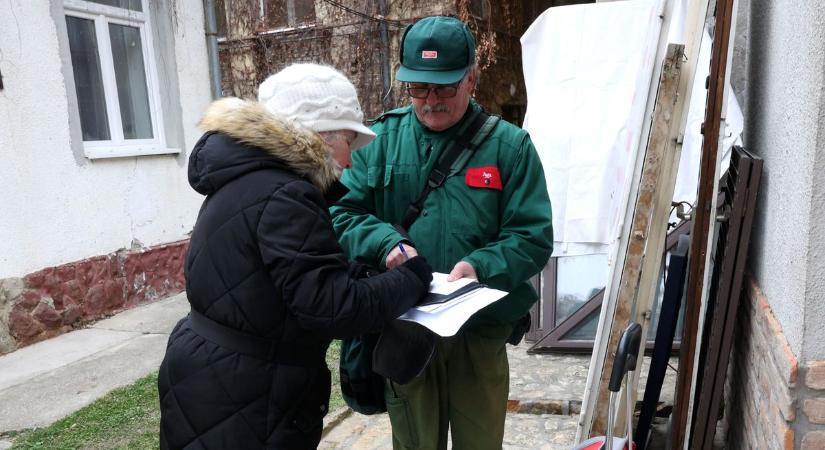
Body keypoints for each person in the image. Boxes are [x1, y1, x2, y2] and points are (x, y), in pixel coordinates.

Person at [157, 63, 434, 450]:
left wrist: (363, 274)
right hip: (249, 393)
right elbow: (332, 308)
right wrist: (414, 277)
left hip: (213, 375)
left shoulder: (246, 178)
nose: (351, 161)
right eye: (347, 144)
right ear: (318, 136)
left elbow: (283, 275)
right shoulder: (286, 194)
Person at [331, 16, 554, 450]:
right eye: (418, 87)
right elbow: (341, 212)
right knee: (415, 442)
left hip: (480, 329)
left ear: (471, 78)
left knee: (480, 441)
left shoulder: (509, 147)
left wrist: (480, 265)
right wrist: (385, 243)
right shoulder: (378, 141)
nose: (431, 100)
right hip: (406, 328)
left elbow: (532, 234)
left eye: (445, 87)